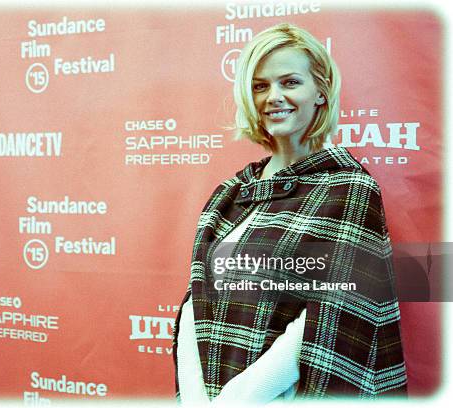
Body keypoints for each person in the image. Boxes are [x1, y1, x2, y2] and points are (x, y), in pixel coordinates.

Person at [172, 23, 407, 404]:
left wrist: (238, 400)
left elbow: (332, 319)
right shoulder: (229, 196)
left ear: (321, 92)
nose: (273, 97)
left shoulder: (348, 189)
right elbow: (194, 306)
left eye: (290, 82)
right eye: (260, 86)